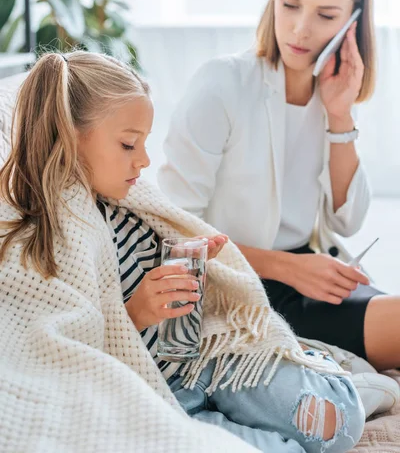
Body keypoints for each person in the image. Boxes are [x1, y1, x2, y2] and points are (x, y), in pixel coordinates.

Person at [0, 51, 365, 453]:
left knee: (339, 420)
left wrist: (184, 261)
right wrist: (136, 312)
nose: (143, 160)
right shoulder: (38, 233)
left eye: (143, 143)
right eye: (128, 144)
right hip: (156, 390)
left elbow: (156, 260)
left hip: (207, 356)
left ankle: (328, 371)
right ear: (70, 135)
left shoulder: (128, 199)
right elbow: (61, 356)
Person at [158, 0, 400, 373]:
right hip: (233, 282)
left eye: (326, 16)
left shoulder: (330, 95)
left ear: (353, 22)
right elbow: (173, 234)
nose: (300, 29)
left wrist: (341, 115)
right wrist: (287, 268)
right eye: (289, 5)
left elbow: (347, 220)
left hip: (305, 273)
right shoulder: (221, 84)